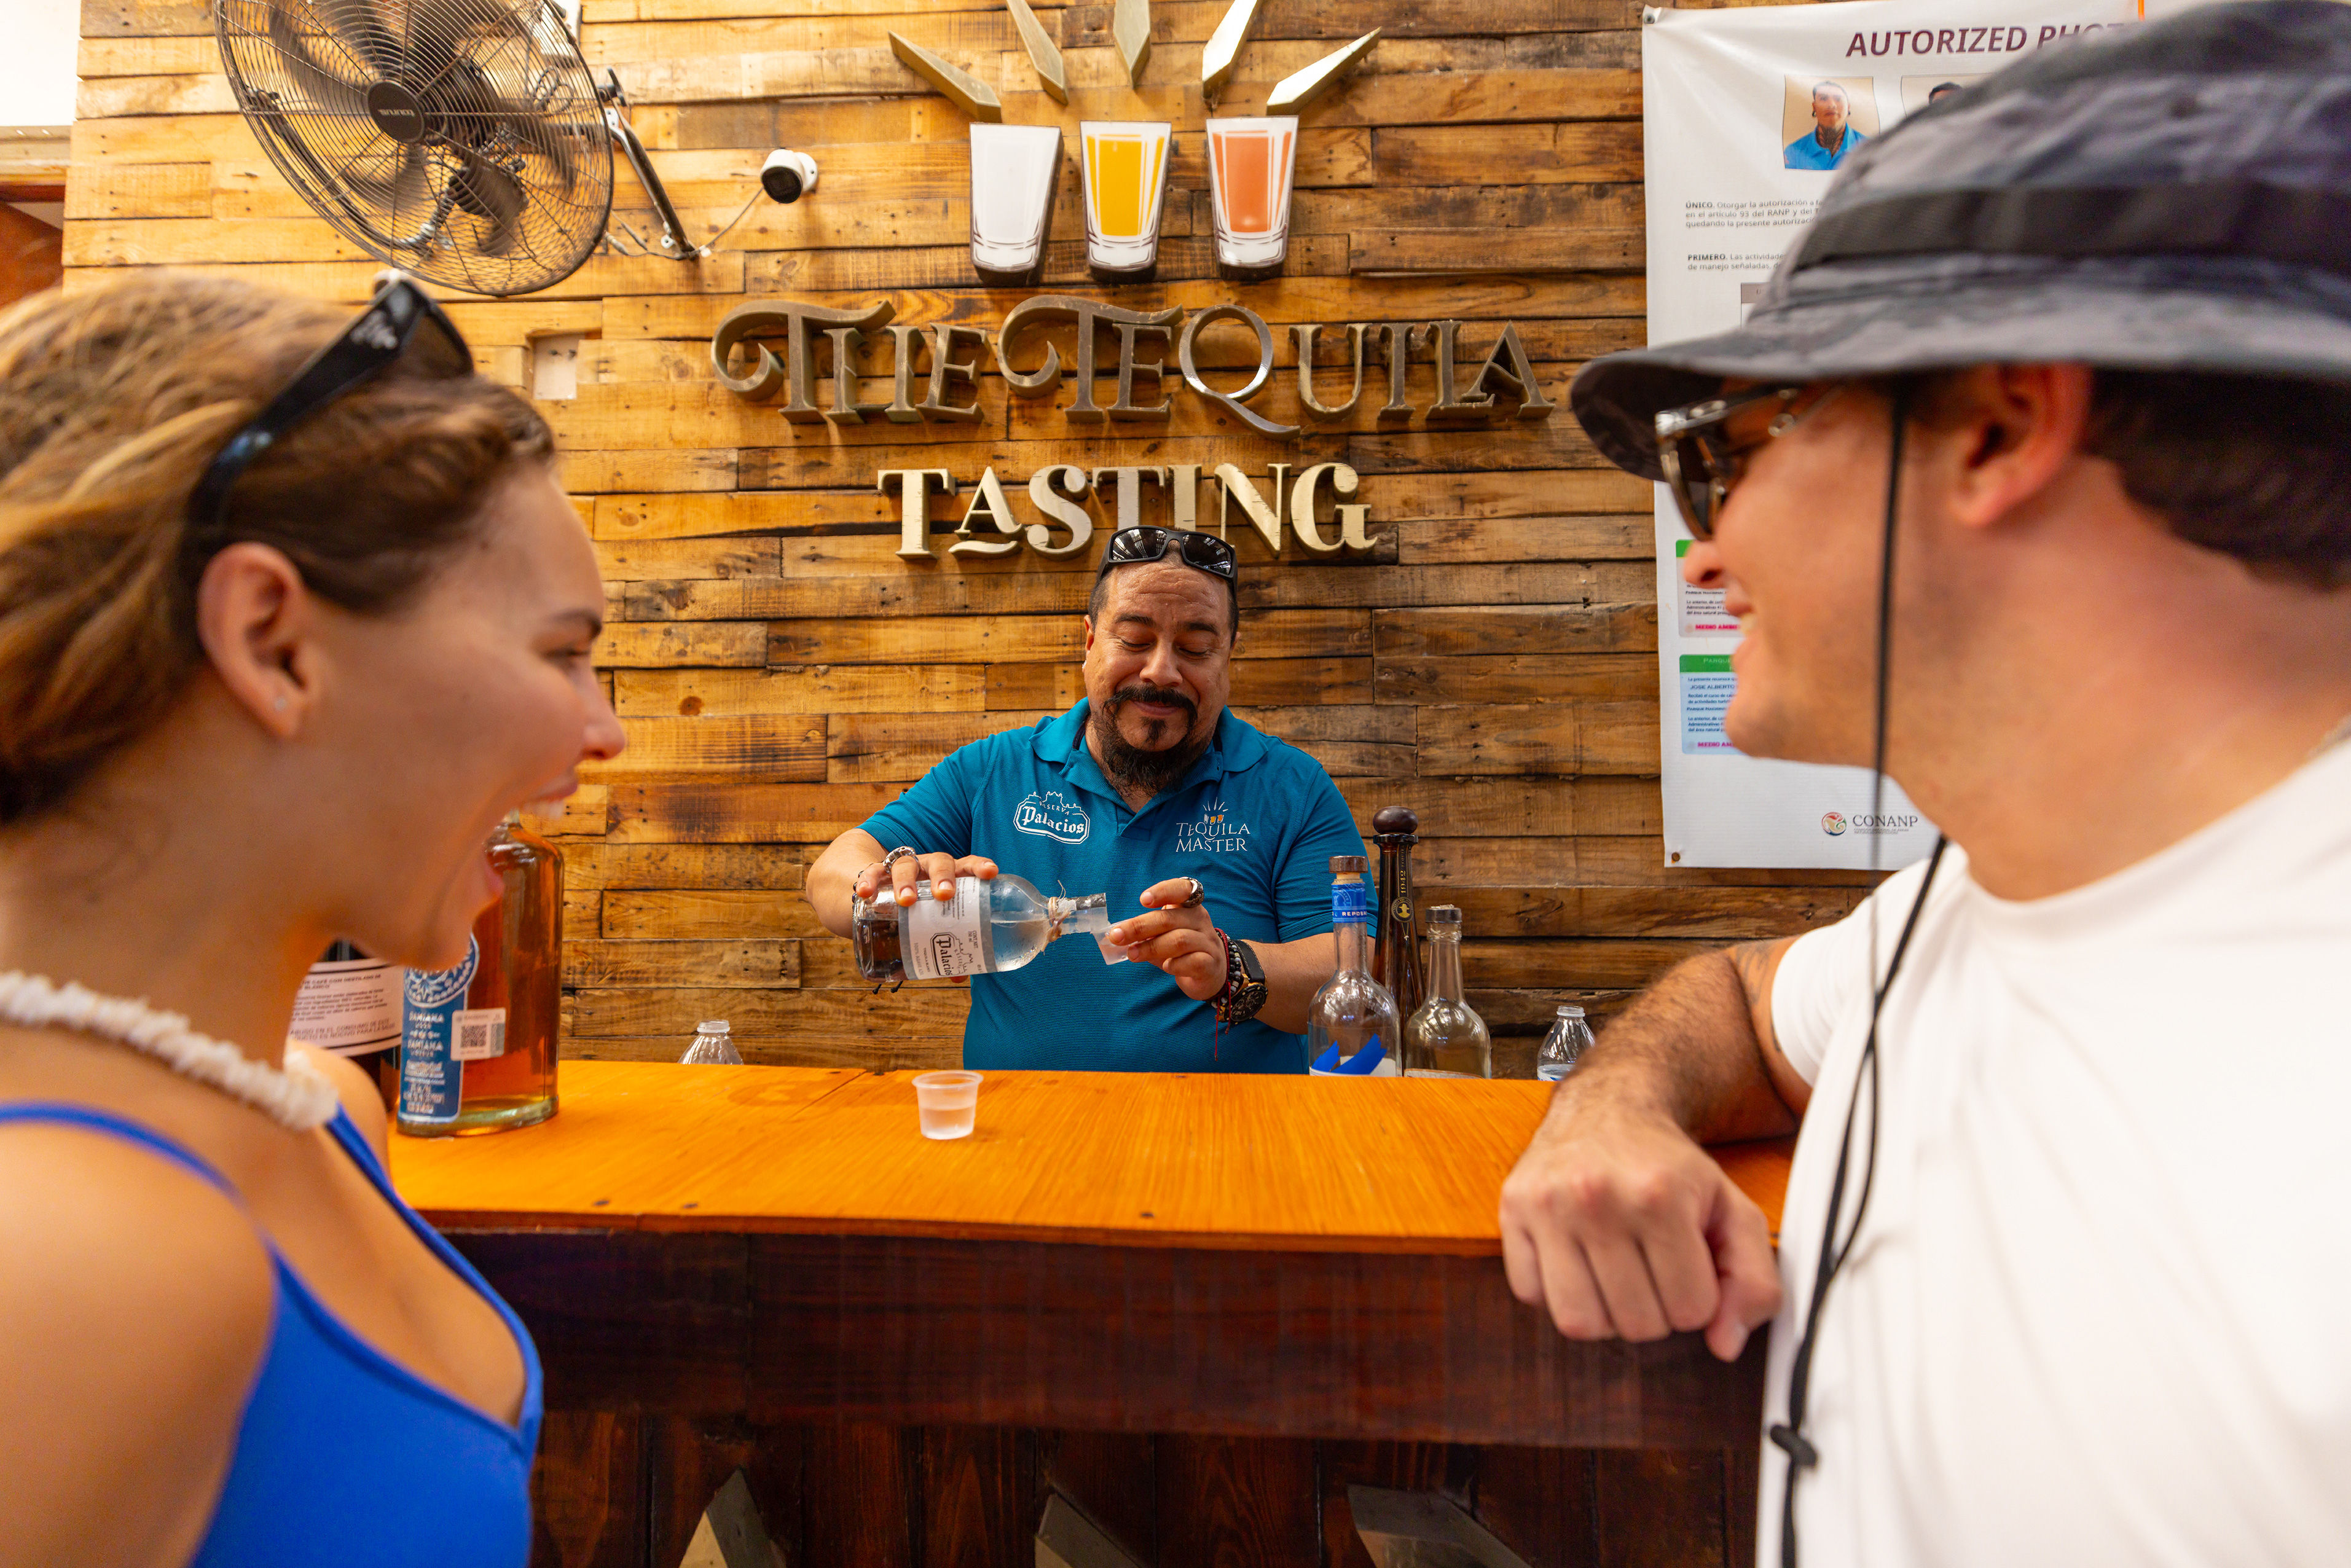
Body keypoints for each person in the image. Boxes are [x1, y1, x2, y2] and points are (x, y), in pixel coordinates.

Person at [1502, 4, 2351, 1564]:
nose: (1704, 544)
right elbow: (1751, 1003)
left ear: (1999, 427)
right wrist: (1608, 1106)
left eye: (1728, 450)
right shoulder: (1983, 887)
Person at [0, 272, 626, 1566]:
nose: (600, 728)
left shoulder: (328, 1104)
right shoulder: (67, 1252)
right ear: (274, 641)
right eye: (561, 653)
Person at [806, 526, 1364, 1073]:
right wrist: (887, 878)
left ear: (1229, 656)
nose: (1161, 671)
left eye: (1196, 646)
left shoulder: (1293, 786)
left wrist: (1232, 966)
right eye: (1135, 639)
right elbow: (829, 875)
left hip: (1228, 1142)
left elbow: (1353, 970)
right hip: (1020, 1138)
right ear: (1090, 640)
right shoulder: (993, 769)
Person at [1783, 81, 1864, 170]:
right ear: (1814, 107)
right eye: (1824, 99)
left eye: (1838, 99)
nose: (1831, 105)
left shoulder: (1869, 149)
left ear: (1848, 107)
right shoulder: (1793, 153)